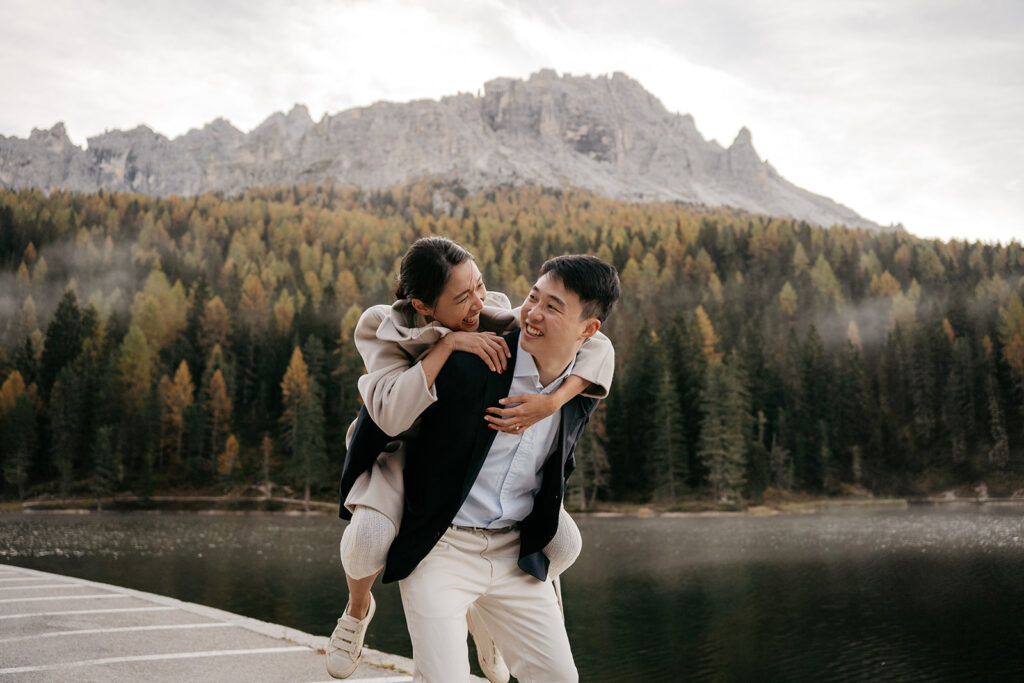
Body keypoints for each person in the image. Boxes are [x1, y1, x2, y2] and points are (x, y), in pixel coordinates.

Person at [327, 239, 615, 680]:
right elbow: (381, 418)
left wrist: (552, 401)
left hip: (510, 539)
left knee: (565, 546)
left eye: (479, 287)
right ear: (424, 305)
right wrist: (448, 347)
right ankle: (357, 609)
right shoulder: (394, 331)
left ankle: (488, 616)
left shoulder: (500, 322)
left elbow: (599, 348)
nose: (477, 303)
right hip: (406, 467)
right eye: (462, 297)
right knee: (369, 536)